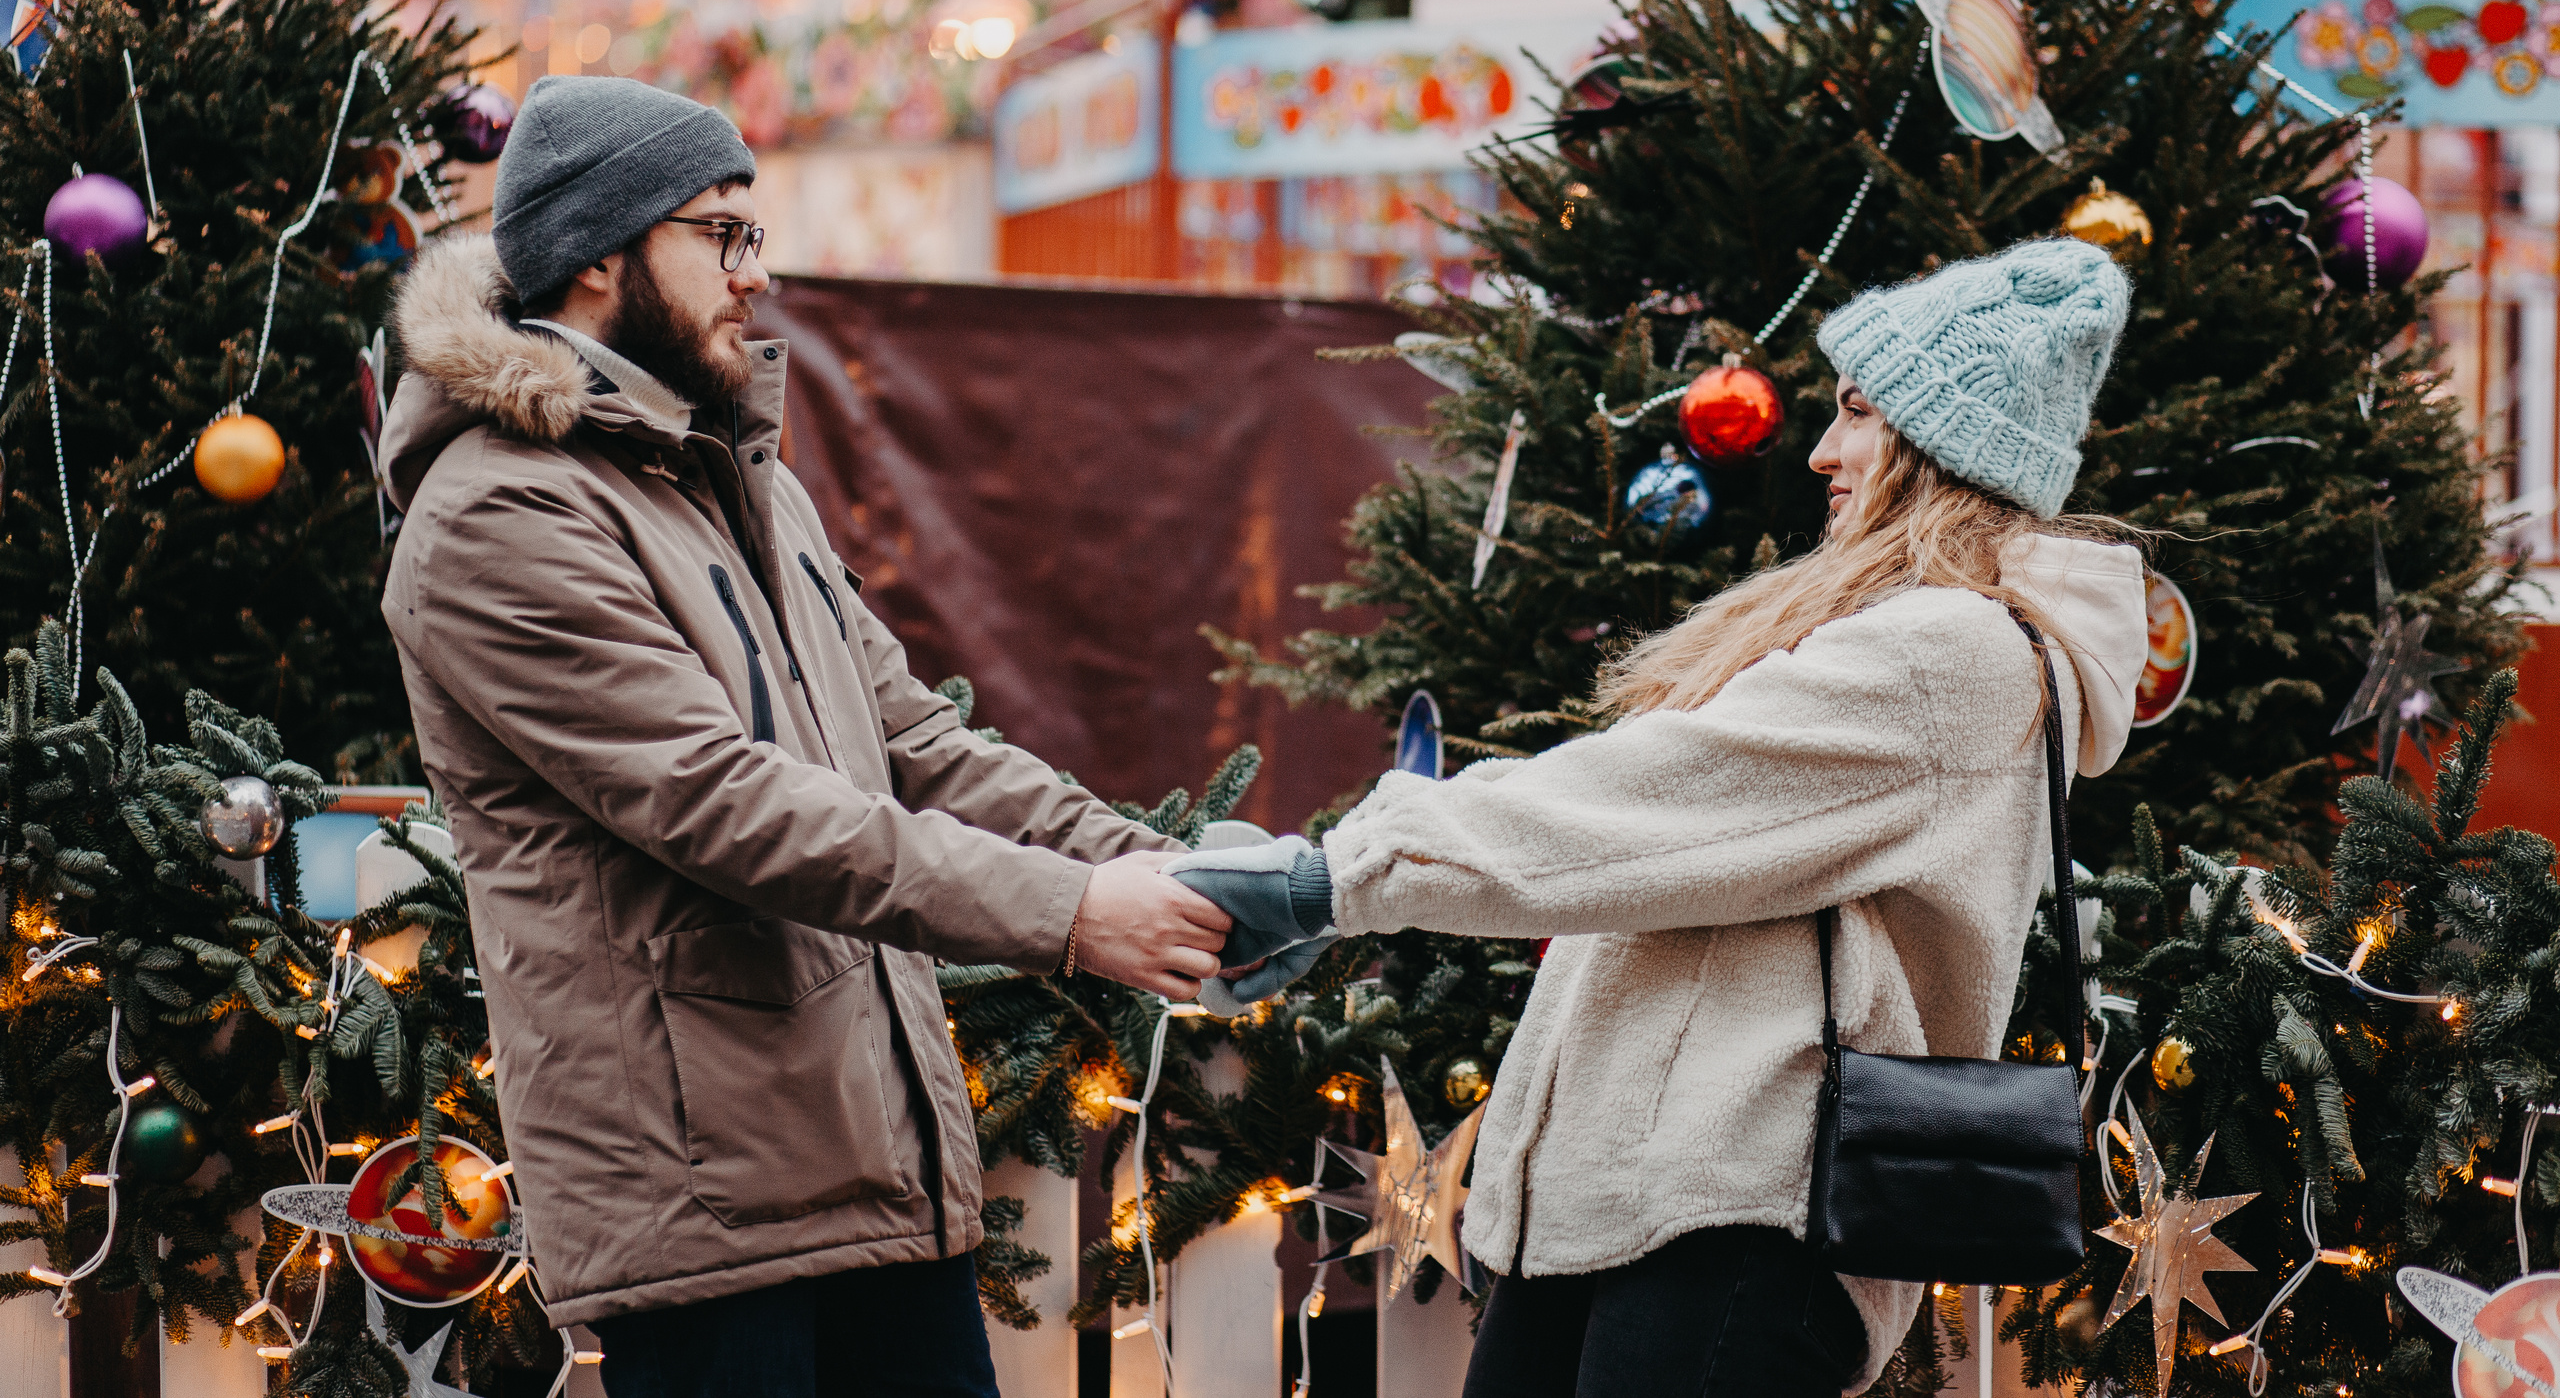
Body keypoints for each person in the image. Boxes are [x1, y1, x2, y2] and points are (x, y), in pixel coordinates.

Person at [1171, 239, 2150, 1396]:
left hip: (1737, 1221)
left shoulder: (1947, 655)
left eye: (1859, 413)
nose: (1825, 450)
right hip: (1647, 1204)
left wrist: (1335, 879)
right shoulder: (1905, 634)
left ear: (1937, 447)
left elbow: (1637, 801)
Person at [378, 75, 1230, 1398]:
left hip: (868, 1158)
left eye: (753, 232)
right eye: (720, 234)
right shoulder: (498, 519)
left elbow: (913, 743)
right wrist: (1074, 911)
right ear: (602, 255)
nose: (754, 272)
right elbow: (728, 806)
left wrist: (1166, 865)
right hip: (709, 1203)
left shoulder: (722, 478)